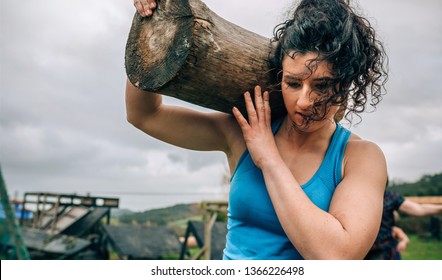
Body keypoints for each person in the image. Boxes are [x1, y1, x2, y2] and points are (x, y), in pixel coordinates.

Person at [127, 0, 389, 259]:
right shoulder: (245, 131)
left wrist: (269, 159)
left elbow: (336, 256)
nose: (304, 101)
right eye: (293, 83)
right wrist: (149, 21)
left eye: (322, 86)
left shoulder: (360, 157)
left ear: (346, 84)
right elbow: (145, 115)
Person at [365, 189, 442, 259]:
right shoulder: (354, 194)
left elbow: (419, 209)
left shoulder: (389, 197)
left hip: (384, 251)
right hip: (359, 251)